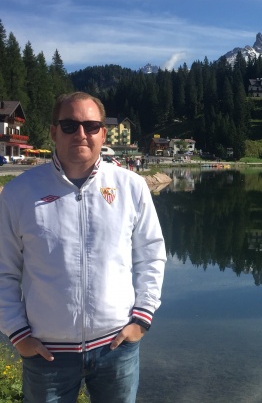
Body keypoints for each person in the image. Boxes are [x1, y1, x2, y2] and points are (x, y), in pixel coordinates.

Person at [0, 92, 166, 403]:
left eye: (91, 126)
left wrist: (141, 320)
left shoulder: (132, 187)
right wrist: (17, 334)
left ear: (103, 132)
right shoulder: (19, 193)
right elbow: (3, 270)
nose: (81, 134)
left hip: (116, 347)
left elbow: (152, 255)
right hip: (46, 353)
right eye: (69, 125)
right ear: (53, 131)